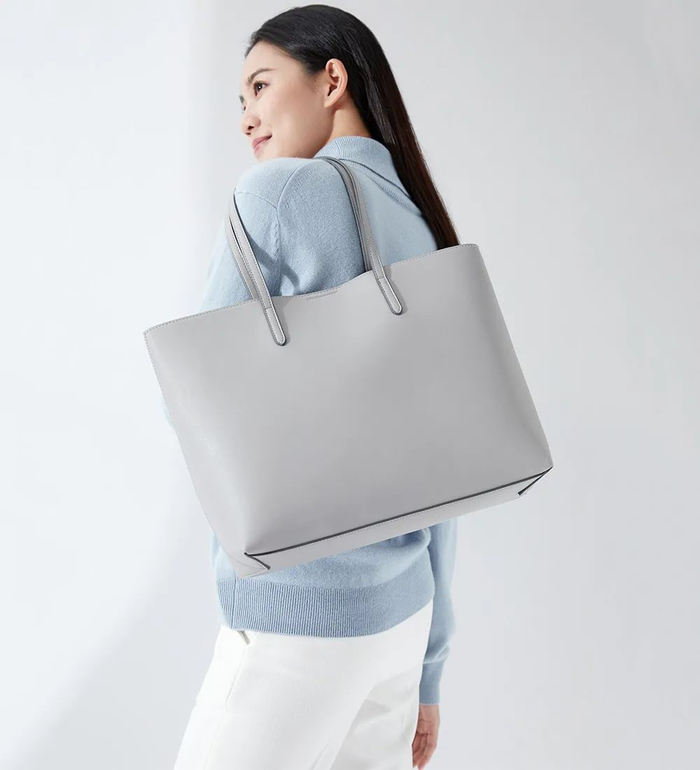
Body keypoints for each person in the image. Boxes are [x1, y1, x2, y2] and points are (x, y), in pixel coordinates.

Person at [169, 5, 460, 769]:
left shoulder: (280, 192)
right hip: (403, 618)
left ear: (331, 81)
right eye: (239, 100)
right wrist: (430, 666)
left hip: (298, 619)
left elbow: (195, 392)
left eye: (261, 86)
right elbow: (448, 467)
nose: (246, 118)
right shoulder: (419, 218)